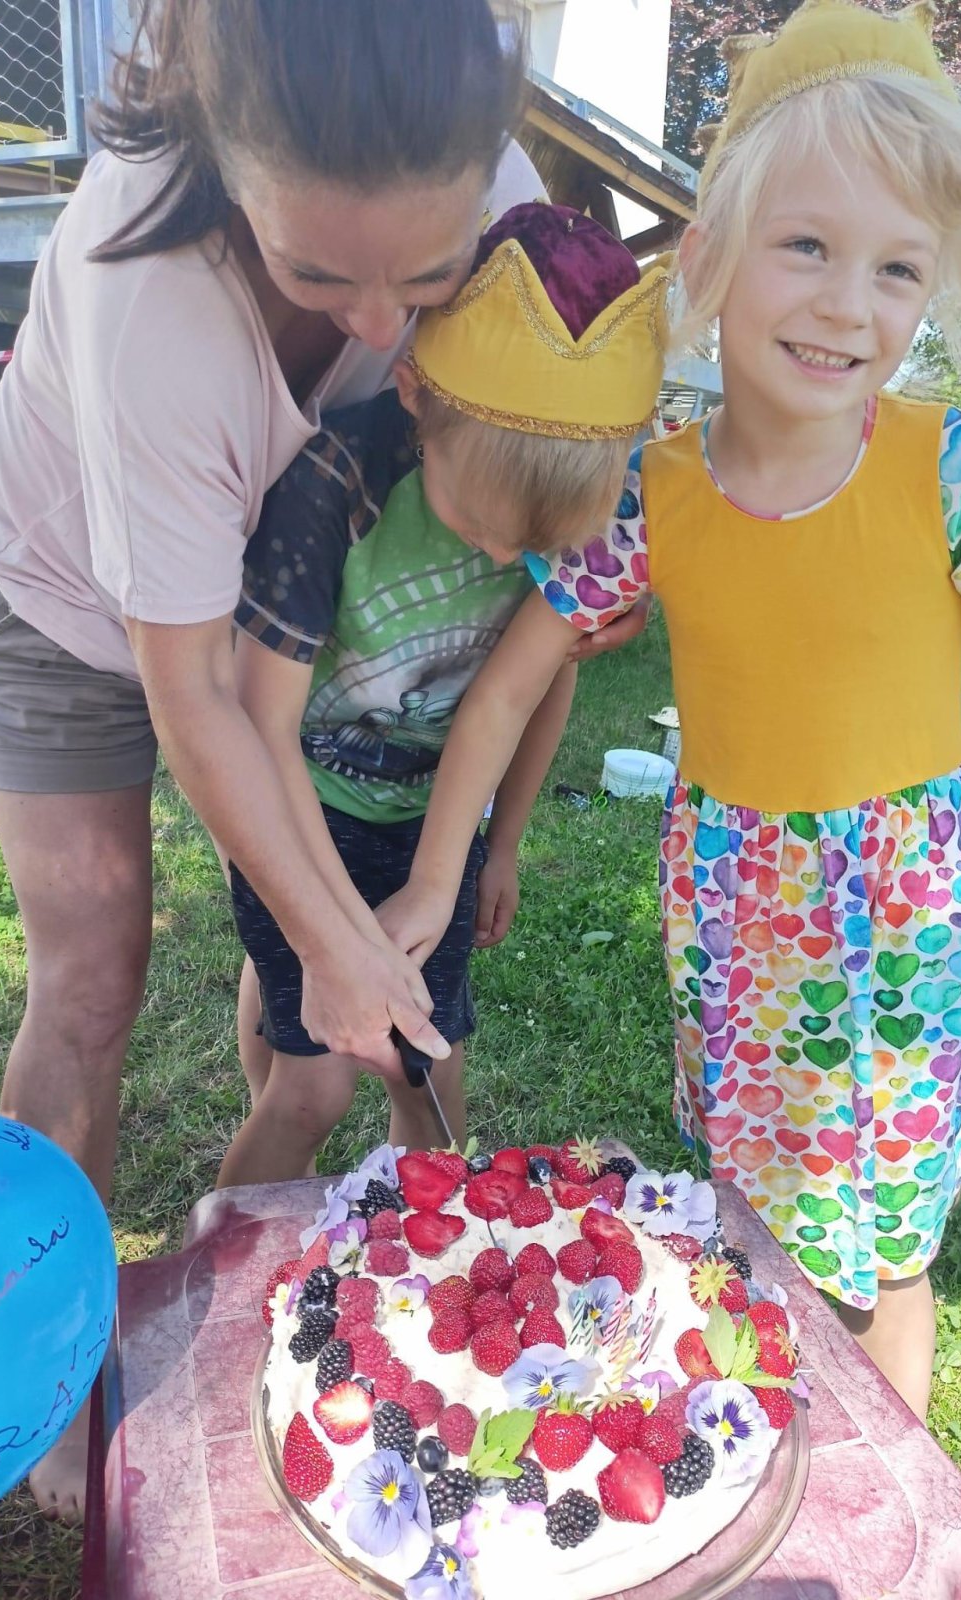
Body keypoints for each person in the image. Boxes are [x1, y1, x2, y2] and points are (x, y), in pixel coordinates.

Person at [379, 0, 961, 1421]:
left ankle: (889, 1486)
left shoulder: (957, 470)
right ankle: (767, 1437)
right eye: (807, 246)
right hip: (736, 908)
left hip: (904, 913)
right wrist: (431, 876)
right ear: (713, 251)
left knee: (888, 1249)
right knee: (754, 1210)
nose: (848, 305)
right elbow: (513, 682)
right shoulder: (655, 491)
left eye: (897, 268)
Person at [0, 0, 649, 1523]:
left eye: (422, 280)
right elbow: (200, 701)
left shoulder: (497, 202)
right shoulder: (144, 299)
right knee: (91, 975)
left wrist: (568, 551)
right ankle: (46, 1385)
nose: (373, 328)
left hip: (288, 620)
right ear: (233, 171)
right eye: (317, 273)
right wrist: (337, 947)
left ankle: (281, 1220)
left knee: (321, 942)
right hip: (63, 601)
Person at [219, 205, 669, 1184]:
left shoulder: (597, 511)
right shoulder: (331, 483)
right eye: (483, 525)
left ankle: (420, 1265)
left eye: (537, 544)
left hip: (438, 822)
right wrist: (332, 932)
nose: (506, 559)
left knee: (431, 1075)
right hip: (301, 812)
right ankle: (231, 1261)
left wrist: (499, 846)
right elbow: (259, 727)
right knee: (312, 1089)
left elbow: (534, 686)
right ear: (415, 395)